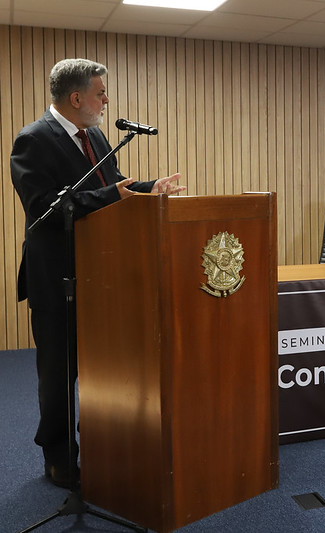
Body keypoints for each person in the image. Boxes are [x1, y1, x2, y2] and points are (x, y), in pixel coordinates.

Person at [10, 58, 185, 488]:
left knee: (102, 369)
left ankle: (103, 444)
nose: (106, 100)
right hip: (57, 278)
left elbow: (112, 183)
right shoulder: (33, 140)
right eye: (100, 93)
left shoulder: (96, 135)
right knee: (59, 371)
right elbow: (45, 208)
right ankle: (59, 458)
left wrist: (148, 188)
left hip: (100, 275)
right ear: (76, 98)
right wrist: (113, 193)